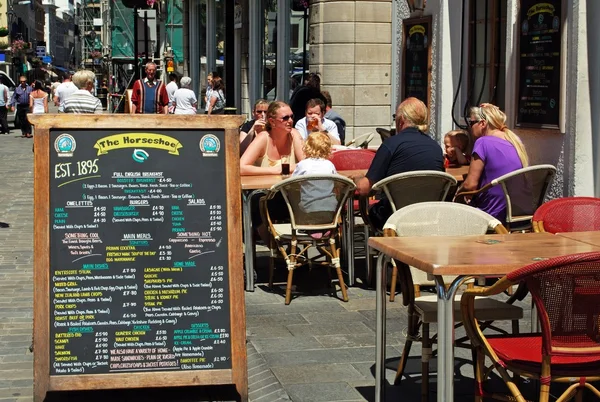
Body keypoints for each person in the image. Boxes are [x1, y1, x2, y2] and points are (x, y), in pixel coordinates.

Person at [356, 97, 445, 229]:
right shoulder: (436, 147)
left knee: (373, 211)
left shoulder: (391, 144)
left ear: (401, 119)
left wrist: (356, 179)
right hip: (428, 217)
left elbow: (364, 189)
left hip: (394, 218)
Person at [458, 103, 529, 222]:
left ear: (482, 124)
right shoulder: (513, 141)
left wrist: (457, 194)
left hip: (490, 213)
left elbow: (470, 185)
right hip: (516, 212)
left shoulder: (483, 142)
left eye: (471, 123)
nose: (470, 127)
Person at [240, 101, 305, 175]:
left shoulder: (294, 134)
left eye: (292, 116)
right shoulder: (263, 138)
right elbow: (241, 168)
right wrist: (274, 170)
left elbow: (307, 164)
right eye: (285, 118)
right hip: (264, 186)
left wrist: (285, 169)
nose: (290, 120)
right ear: (272, 121)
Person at [293, 131, 338, 214]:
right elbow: (337, 182)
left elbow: (291, 183)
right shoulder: (329, 165)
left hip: (307, 208)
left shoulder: (302, 164)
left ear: (306, 147)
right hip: (330, 208)